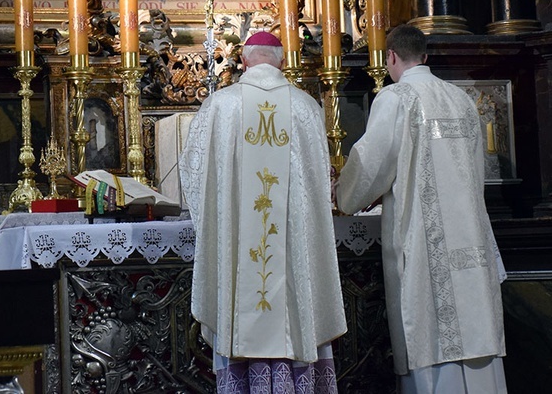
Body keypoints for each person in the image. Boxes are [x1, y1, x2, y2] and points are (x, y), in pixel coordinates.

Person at [335, 24, 507, 393]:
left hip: (425, 242)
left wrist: (344, 196)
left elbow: (372, 162)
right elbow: (475, 169)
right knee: (475, 334)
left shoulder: (397, 98)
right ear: (425, 56)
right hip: (471, 235)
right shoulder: (462, 99)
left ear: (391, 56)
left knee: (430, 332)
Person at [179, 31, 347, 393]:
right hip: (292, 255)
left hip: (240, 253)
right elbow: (321, 185)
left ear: (243, 61)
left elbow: (192, 174)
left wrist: (216, 219)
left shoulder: (221, 106)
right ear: (282, 61)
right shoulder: (306, 107)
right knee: (294, 300)